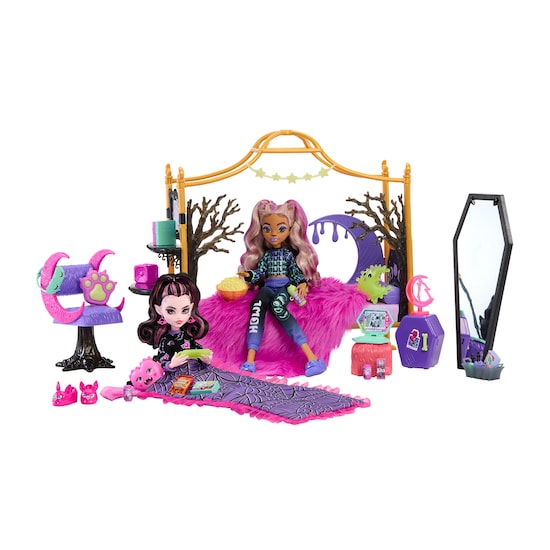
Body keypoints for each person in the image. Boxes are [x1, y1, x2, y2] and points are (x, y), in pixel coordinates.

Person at [237, 199, 326, 377]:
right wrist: (249, 275)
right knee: (257, 306)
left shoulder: (287, 255)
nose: (273, 234)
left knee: (278, 306)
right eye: (267, 229)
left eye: (281, 229)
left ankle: (312, 358)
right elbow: (261, 272)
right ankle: (250, 360)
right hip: (268, 287)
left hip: (284, 287)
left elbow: (294, 271)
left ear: (290, 229)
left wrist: (301, 282)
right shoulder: (267, 256)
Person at [137, 273, 212, 372]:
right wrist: (171, 364)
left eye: (185, 310)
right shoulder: (166, 340)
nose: (179, 317)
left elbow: (198, 351)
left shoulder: (188, 334)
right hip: (177, 375)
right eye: (171, 311)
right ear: (159, 309)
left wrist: (205, 360)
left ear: (191, 307)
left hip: (194, 371)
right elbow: (162, 361)